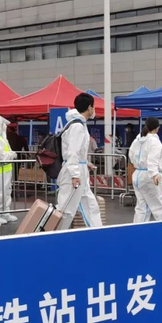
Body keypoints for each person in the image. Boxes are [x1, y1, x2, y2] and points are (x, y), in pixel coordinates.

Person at [57, 93, 103, 229]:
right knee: (66, 209)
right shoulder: (77, 126)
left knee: (89, 204)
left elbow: (76, 151)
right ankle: (56, 234)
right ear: (89, 107)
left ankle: (97, 231)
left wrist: (85, 163)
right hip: (74, 171)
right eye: (93, 107)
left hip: (78, 168)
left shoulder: (78, 124)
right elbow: (72, 151)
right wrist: (75, 174)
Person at [129, 117, 162, 238]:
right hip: (149, 175)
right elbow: (152, 160)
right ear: (157, 128)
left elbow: (131, 155)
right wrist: (154, 174)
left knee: (142, 206)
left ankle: (137, 231)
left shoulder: (138, 140)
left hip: (138, 173)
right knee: (160, 204)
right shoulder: (154, 142)